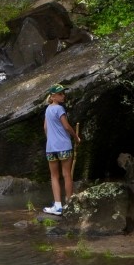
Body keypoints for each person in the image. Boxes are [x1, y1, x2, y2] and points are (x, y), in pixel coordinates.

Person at [43, 84, 80, 215]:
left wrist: (50, 140)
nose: (63, 96)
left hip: (50, 148)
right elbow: (66, 126)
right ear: (53, 96)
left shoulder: (47, 109)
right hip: (64, 146)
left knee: (54, 176)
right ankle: (69, 204)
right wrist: (76, 137)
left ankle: (58, 206)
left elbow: (45, 128)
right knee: (67, 174)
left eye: (63, 93)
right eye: (60, 94)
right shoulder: (59, 109)